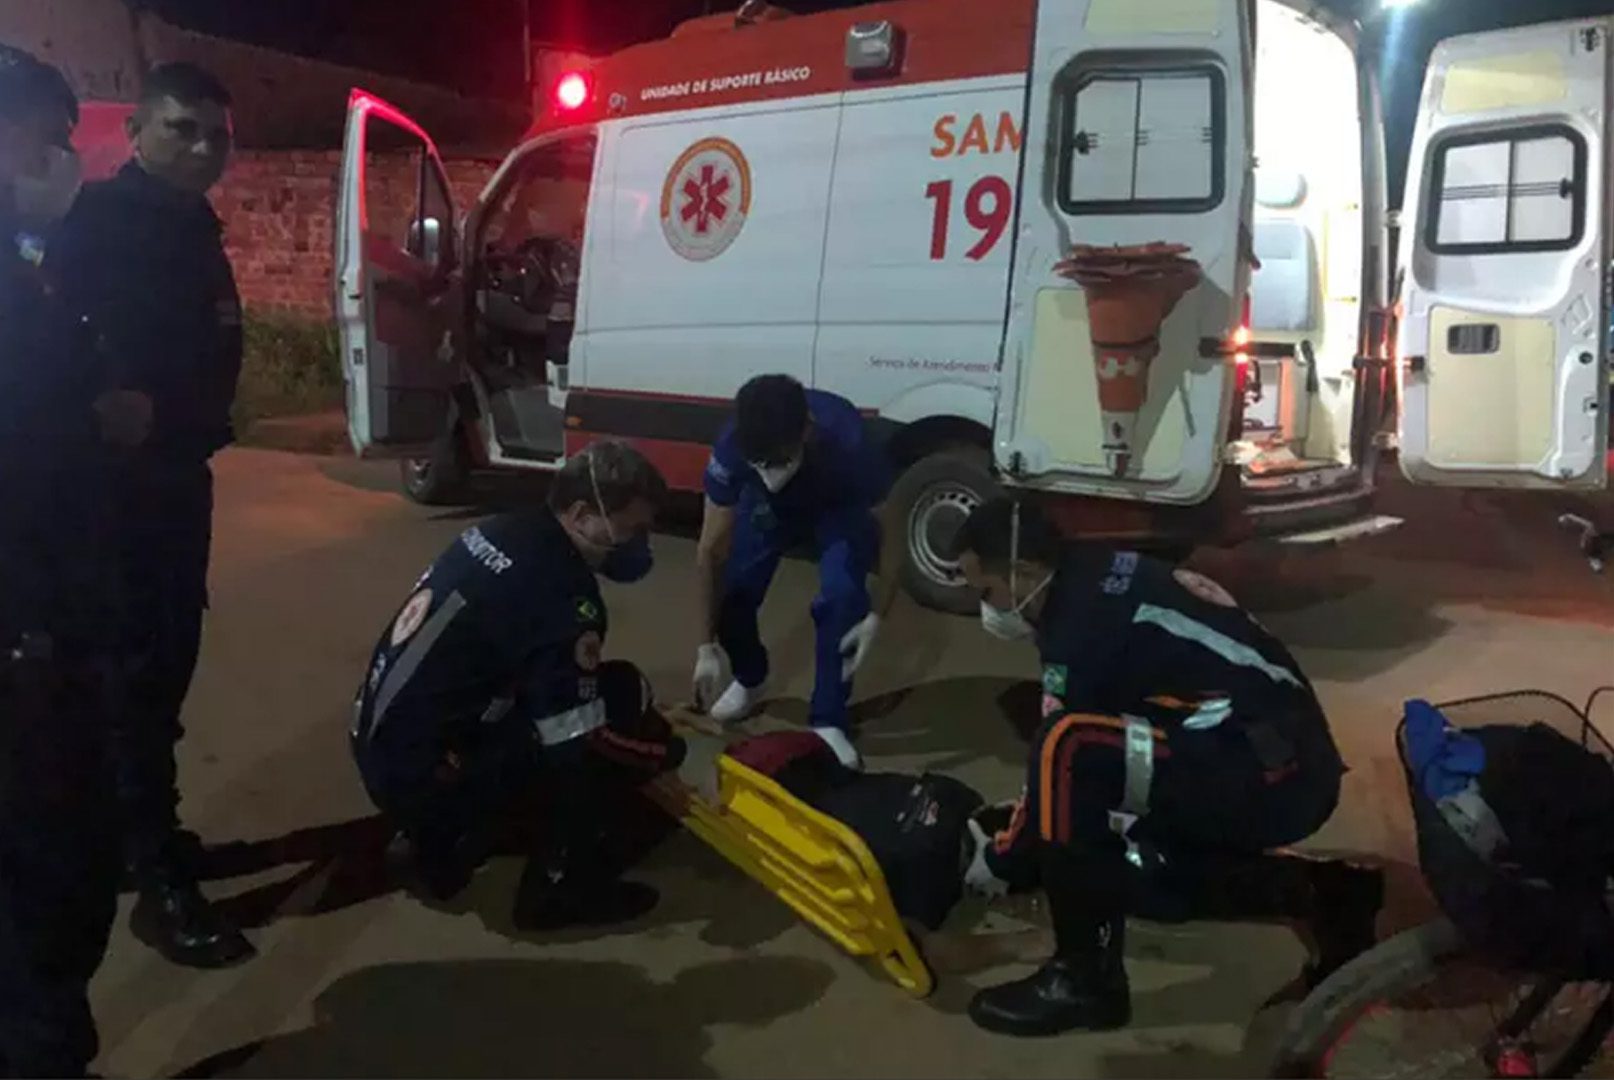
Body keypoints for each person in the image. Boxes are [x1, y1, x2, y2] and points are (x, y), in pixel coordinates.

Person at [954, 498, 1383, 1037]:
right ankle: (1325, 893)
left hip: (1276, 772)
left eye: (987, 591)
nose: (986, 609)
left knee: (1066, 747)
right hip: (1264, 748)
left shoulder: (1083, 625)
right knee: (1134, 869)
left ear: (1021, 572)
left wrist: (1003, 859)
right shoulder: (1088, 573)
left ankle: (1085, 980)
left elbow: (1062, 764)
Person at [46, 61, 252, 968]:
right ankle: (155, 878)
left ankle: (141, 838)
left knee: (163, 673)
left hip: (174, 482)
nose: (203, 149)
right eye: (182, 129)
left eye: (217, 135)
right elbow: (65, 361)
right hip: (118, 498)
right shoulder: (102, 225)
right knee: (135, 684)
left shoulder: (185, 223)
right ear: (135, 134)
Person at [351, 441, 688, 928]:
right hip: (426, 776)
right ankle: (557, 889)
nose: (639, 542)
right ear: (581, 514)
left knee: (555, 697)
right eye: (632, 528)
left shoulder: (504, 530)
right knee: (611, 709)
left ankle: (437, 840)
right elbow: (577, 736)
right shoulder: (564, 594)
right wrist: (660, 753)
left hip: (382, 745)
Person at [0, 48, 126, 1078]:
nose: (59, 161)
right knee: (49, 879)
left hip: (45, 617)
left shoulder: (23, 267)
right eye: (46, 138)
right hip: (25, 636)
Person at [690, 374, 902, 768]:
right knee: (733, 590)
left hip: (836, 507)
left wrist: (878, 613)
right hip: (768, 509)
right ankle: (751, 678)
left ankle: (828, 719)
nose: (772, 472)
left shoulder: (851, 443)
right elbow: (710, 549)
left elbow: (891, 530)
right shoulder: (733, 445)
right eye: (761, 463)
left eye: (779, 460)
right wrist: (706, 646)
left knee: (842, 597)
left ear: (806, 430)